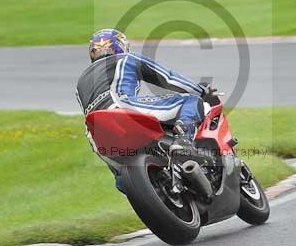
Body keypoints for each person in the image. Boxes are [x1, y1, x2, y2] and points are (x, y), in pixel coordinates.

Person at [75, 29, 213, 189]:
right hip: (123, 107)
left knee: (122, 180)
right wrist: (201, 90)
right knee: (191, 101)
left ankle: (137, 185)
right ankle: (184, 140)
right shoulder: (127, 58)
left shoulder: (80, 83)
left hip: (95, 131)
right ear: (121, 46)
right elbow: (168, 78)